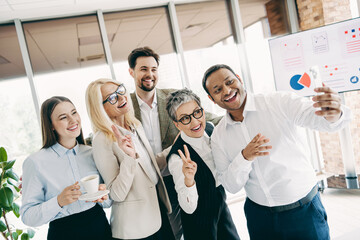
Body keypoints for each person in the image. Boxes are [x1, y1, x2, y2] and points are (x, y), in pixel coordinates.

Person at [202, 64, 352, 240]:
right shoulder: (219, 137)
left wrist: (332, 114)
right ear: (212, 98)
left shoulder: (277, 102)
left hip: (304, 212)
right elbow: (231, 186)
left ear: (239, 80)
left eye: (230, 82)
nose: (227, 90)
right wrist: (244, 157)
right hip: (259, 218)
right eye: (218, 89)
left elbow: (317, 119)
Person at [128, 46, 221, 240]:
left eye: (154, 69)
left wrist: (237, 120)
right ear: (132, 72)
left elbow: (208, 118)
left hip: (176, 177)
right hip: (145, 185)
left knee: (180, 230)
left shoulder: (170, 97)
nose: (150, 74)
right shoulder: (125, 107)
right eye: (144, 69)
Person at [85, 78, 175, 240]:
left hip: (157, 213)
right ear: (100, 108)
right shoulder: (102, 139)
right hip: (136, 228)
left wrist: (175, 146)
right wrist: (129, 157)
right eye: (112, 97)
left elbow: (150, 168)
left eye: (120, 90)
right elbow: (116, 193)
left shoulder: (135, 125)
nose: (121, 97)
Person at [20, 96, 112, 240]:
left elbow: (108, 202)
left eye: (74, 112)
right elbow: (28, 216)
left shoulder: (92, 153)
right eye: (63, 117)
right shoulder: (35, 162)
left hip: (100, 227)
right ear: (50, 125)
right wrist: (59, 201)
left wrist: (103, 196)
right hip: (64, 233)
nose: (73, 120)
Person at [165, 89, 240, 240]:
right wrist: (188, 180)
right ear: (177, 124)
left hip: (221, 209)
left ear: (203, 111)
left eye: (196, 113)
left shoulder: (211, 129)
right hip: (199, 223)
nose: (194, 122)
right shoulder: (177, 158)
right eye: (185, 118)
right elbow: (188, 208)